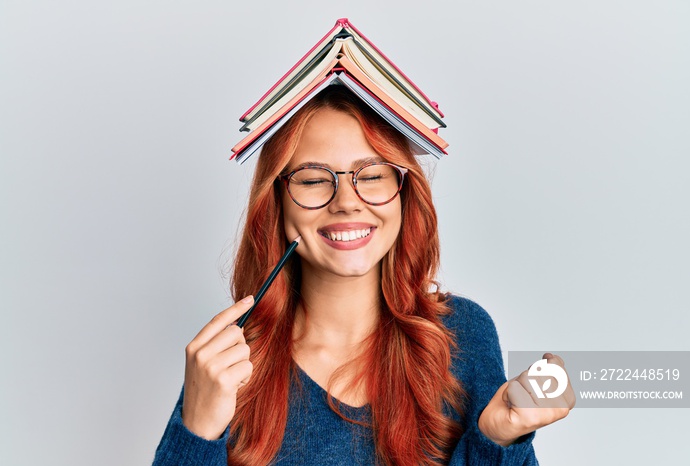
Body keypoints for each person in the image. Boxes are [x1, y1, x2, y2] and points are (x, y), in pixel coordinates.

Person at [152, 86, 574, 466]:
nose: (347, 202)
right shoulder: (231, 364)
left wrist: (497, 437)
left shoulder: (464, 335)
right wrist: (198, 430)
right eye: (315, 180)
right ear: (277, 205)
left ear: (405, 193)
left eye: (371, 176)